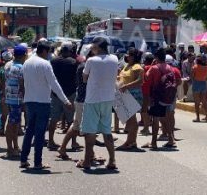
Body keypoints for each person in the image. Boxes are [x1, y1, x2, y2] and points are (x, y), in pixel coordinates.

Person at [20, 42, 71, 170]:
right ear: (44, 51)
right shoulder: (45, 64)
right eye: (48, 52)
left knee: (29, 131)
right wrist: (65, 101)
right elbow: (54, 84)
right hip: (42, 102)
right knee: (40, 133)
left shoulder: (27, 63)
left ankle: (23, 160)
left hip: (30, 101)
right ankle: (38, 162)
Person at [79, 38, 118, 171]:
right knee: (107, 130)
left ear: (97, 47)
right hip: (108, 98)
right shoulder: (114, 59)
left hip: (93, 98)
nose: (92, 49)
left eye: (93, 47)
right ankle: (112, 160)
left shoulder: (91, 60)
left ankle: (87, 161)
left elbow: (84, 78)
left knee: (90, 131)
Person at [57, 44, 93, 161]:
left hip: (84, 99)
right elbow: (86, 82)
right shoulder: (84, 67)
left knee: (78, 125)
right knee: (79, 126)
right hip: (83, 100)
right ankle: (64, 148)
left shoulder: (84, 65)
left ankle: (64, 148)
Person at [144, 48, 178, 150]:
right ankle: (171, 140)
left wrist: (151, 67)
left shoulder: (154, 68)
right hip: (168, 96)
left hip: (157, 96)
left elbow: (146, 77)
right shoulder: (170, 68)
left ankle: (153, 142)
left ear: (157, 57)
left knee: (156, 119)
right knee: (164, 119)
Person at [47, 45, 77, 150]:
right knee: (71, 120)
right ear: (69, 51)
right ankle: (73, 142)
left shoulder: (53, 61)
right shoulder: (73, 62)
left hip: (56, 94)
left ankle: (50, 141)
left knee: (54, 119)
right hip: (70, 93)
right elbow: (76, 77)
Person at [116, 48, 144, 151]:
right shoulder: (127, 66)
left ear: (133, 56)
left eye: (129, 55)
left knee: (132, 120)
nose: (127, 56)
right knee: (130, 119)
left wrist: (126, 86)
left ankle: (130, 142)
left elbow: (140, 81)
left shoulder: (137, 67)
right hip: (124, 94)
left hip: (132, 95)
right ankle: (132, 141)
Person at [3, 45, 26, 159]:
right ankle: (10, 149)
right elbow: (22, 85)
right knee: (12, 124)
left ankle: (15, 147)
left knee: (15, 123)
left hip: (9, 98)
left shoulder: (7, 65)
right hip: (17, 99)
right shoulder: (21, 67)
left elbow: (3, 80)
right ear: (23, 55)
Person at [192, 54, 207, 122]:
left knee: (197, 102)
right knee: (204, 100)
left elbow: (192, 76)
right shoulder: (206, 67)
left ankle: (198, 117)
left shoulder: (195, 67)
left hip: (196, 83)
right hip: (203, 83)